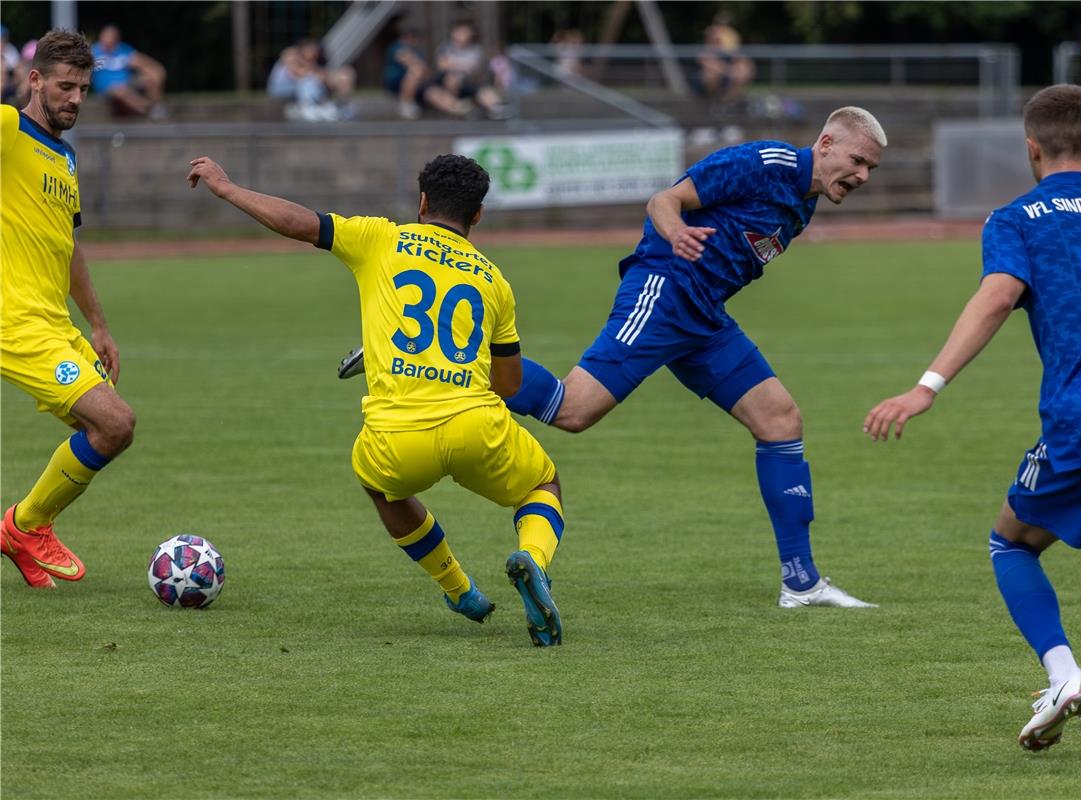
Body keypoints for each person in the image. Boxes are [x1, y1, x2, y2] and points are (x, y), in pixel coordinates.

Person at [345, 108, 886, 609]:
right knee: (572, 411)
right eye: (857, 161)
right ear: (826, 141)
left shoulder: (805, 198)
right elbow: (663, 201)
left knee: (780, 419)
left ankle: (801, 582)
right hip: (665, 290)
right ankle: (408, 349)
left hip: (705, 317)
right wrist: (675, 232)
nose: (862, 176)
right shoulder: (765, 162)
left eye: (871, 168)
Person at [862, 84, 1081, 751]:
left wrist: (927, 385)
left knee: (1011, 541)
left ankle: (1064, 676)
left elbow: (996, 297)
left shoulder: (1017, 218)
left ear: (1031, 148)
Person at [188, 153, 567, 647]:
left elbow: (299, 223)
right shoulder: (494, 280)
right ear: (478, 215)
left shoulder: (380, 237)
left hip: (397, 437)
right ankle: (533, 561)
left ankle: (458, 589)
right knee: (543, 484)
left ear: (423, 201)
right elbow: (510, 384)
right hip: (477, 427)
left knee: (380, 486)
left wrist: (227, 188)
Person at [1, 29, 137, 589]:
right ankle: (24, 527)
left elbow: (69, 248)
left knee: (111, 429)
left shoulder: (65, 156)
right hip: (14, 319)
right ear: (34, 80)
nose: (75, 98)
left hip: (53, 322)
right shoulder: (9, 128)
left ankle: (24, 532)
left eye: (83, 88)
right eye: (64, 86)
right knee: (114, 422)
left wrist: (99, 325)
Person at [267, 38, 355, 122]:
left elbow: (324, 78)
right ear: (304, 49)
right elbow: (299, 73)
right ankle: (309, 107)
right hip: (280, 88)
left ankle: (336, 106)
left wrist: (337, 80)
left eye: (316, 50)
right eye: (312, 50)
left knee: (320, 80)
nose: (315, 53)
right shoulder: (292, 55)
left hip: (297, 88)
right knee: (309, 81)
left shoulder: (314, 62)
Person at [89, 24, 167, 118]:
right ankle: (148, 109)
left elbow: (142, 62)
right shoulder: (94, 52)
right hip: (106, 90)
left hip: (127, 84)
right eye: (106, 36)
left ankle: (154, 107)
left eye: (111, 37)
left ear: (116, 39)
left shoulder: (123, 50)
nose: (107, 40)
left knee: (150, 78)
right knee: (120, 90)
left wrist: (156, 71)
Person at [694, 12, 755, 104]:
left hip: (727, 68)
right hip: (715, 71)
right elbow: (706, 60)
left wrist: (741, 66)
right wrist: (727, 70)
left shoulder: (731, 37)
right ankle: (713, 103)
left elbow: (738, 55)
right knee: (710, 75)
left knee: (743, 72)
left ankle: (729, 102)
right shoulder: (708, 43)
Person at [382, 26, 427, 120]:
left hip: (415, 83)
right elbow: (405, 59)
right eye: (414, 38)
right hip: (394, 80)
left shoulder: (415, 51)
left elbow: (426, 69)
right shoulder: (396, 46)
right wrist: (417, 64)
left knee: (417, 72)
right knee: (416, 70)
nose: (416, 41)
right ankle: (405, 104)